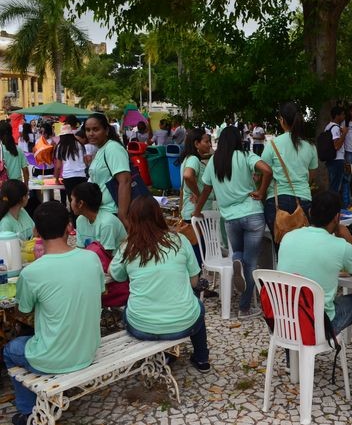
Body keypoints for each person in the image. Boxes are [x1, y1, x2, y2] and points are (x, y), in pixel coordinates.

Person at [4, 201, 104, 425]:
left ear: (36, 232)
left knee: (11, 349)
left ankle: (29, 412)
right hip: (88, 349)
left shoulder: (32, 273)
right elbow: (99, 291)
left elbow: (24, 310)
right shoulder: (91, 258)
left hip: (52, 358)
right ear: (69, 227)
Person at [109, 196, 210, 371]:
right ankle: (202, 358)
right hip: (184, 323)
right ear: (159, 215)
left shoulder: (128, 247)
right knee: (197, 307)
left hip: (141, 326)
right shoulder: (179, 240)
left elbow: (116, 275)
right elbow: (194, 281)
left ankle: (165, 356)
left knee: (128, 311)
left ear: (131, 219)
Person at [277, 190, 352, 343]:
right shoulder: (341, 246)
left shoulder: (288, 237)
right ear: (337, 217)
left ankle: (293, 361)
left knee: (296, 298)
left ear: (310, 212)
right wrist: (350, 239)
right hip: (319, 323)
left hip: (284, 319)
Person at [193, 126, 273, 319]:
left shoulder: (213, 161)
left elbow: (205, 189)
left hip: (230, 218)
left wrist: (197, 210)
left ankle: (236, 258)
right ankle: (244, 308)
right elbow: (267, 170)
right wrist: (261, 191)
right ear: (238, 139)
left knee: (238, 254)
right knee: (251, 264)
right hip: (252, 213)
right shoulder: (245, 156)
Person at [262, 102, 317, 243]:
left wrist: (260, 190)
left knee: (280, 245)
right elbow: (312, 175)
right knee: (302, 246)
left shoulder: (273, 144)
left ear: (282, 120)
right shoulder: (310, 146)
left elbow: (263, 172)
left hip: (277, 201)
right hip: (304, 200)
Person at [85, 114, 132, 227]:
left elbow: (125, 181)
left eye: (95, 129)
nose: (91, 133)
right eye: (88, 130)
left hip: (112, 213)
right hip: (102, 212)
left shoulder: (113, 148)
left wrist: (122, 215)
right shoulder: (101, 149)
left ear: (106, 130)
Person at [178, 128, 213, 261]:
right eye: (206, 141)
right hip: (195, 213)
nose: (209, 144)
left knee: (197, 253)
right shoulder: (193, 159)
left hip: (193, 212)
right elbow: (188, 176)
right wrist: (198, 194)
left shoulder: (190, 158)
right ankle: (198, 280)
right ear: (196, 144)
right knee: (198, 255)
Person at [71, 182, 127, 252]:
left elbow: (106, 256)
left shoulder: (107, 223)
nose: (71, 203)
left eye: (72, 199)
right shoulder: (80, 220)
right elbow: (80, 249)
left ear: (80, 203)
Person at [53, 125, 88, 218]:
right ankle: (84, 221)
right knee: (83, 201)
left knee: (73, 201)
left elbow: (58, 166)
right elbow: (85, 161)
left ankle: (75, 225)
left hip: (69, 178)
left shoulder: (60, 146)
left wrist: (56, 179)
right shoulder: (79, 144)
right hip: (82, 175)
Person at [324, 106, 348, 194]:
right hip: (337, 159)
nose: (344, 116)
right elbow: (337, 145)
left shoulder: (328, 127)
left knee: (333, 184)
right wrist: (344, 134)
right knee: (335, 186)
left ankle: (331, 204)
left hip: (331, 159)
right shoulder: (335, 128)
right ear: (337, 116)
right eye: (343, 114)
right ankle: (332, 205)